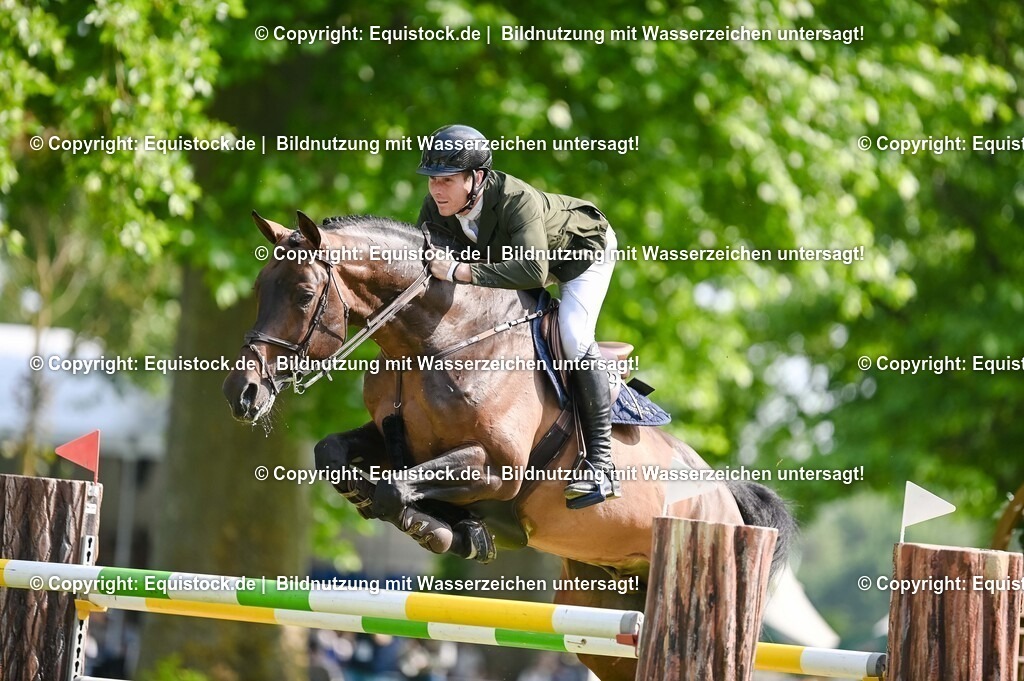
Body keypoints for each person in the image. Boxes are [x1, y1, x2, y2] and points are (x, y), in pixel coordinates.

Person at [416, 124, 620, 508]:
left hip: (582, 254)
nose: (437, 190)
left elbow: (531, 272)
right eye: (432, 181)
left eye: (446, 181)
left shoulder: (516, 200)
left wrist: (462, 271)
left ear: (475, 178)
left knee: (573, 334)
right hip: (521, 263)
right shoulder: (436, 209)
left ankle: (600, 464)